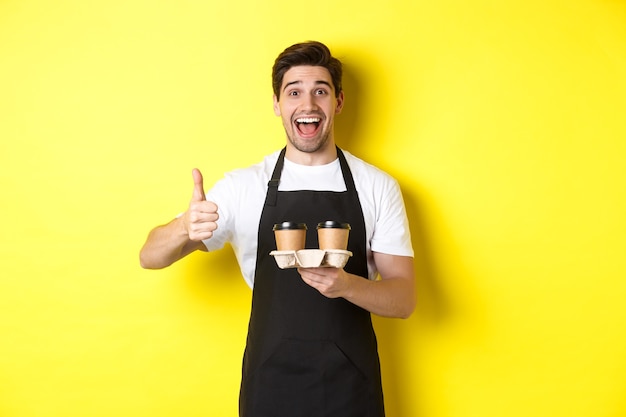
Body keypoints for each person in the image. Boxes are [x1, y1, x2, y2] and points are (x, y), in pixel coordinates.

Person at [140, 40, 416, 417]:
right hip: (270, 386)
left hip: (350, 388)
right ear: (277, 104)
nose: (308, 104)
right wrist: (185, 227)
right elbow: (149, 257)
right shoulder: (244, 187)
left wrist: (347, 284)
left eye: (321, 91)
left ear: (338, 102)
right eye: (294, 92)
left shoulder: (376, 186)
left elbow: (404, 300)